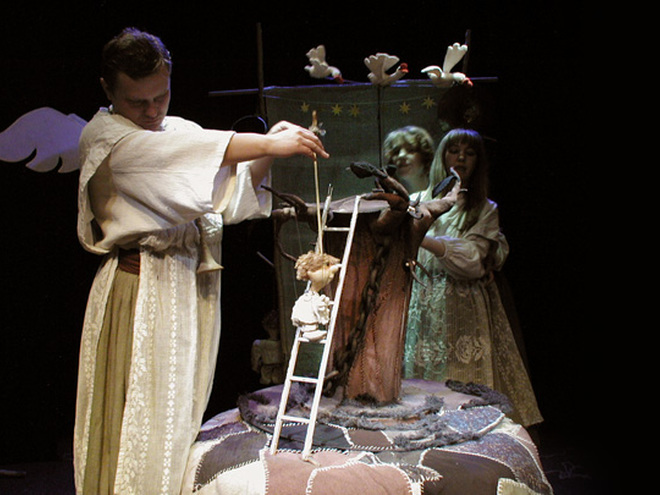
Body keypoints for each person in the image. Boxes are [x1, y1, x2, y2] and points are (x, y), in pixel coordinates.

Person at [73, 28, 328, 494]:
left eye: (161, 96)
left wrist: (265, 148)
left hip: (187, 288)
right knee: (141, 419)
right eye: (137, 102)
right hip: (143, 291)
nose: (152, 111)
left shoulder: (178, 131)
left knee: (178, 416)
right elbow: (170, 159)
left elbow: (225, 197)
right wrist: (266, 143)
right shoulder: (106, 138)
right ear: (108, 89)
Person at [402, 128, 543, 428]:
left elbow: (473, 260)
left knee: (462, 380)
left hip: (462, 304)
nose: (461, 158)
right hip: (422, 302)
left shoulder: (484, 209)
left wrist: (422, 237)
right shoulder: (416, 200)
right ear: (443, 156)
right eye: (454, 151)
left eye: (470, 152)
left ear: (479, 161)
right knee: (421, 381)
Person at [382, 125, 434, 194]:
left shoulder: (443, 193)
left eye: (410, 150)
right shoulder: (386, 197)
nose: (401, 155)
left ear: (425, 156)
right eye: (396, 152)